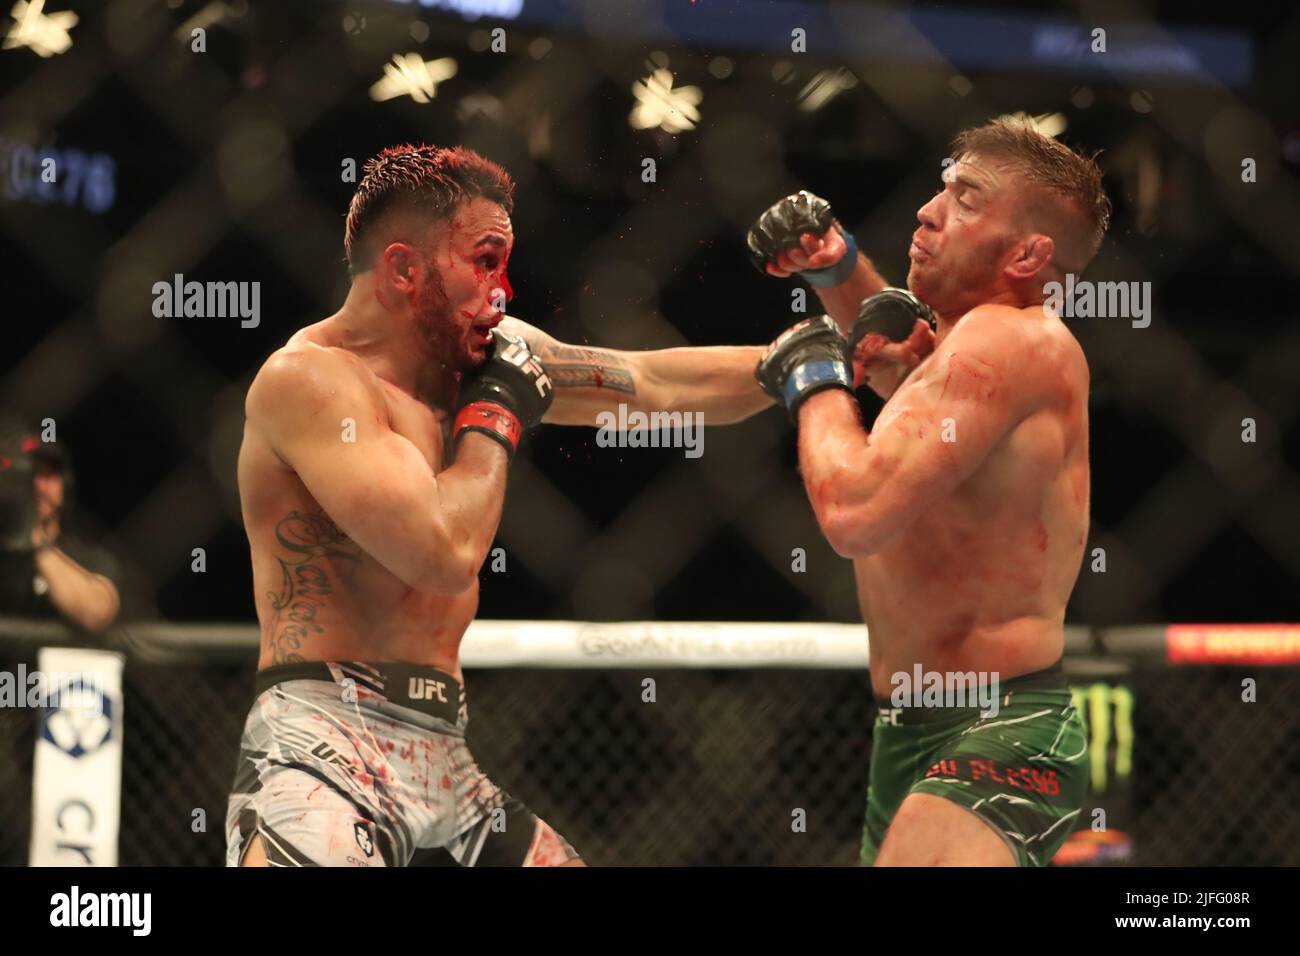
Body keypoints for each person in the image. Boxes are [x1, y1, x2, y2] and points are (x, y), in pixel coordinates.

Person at [227, 144, 771, 867]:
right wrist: (498, 413)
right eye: (484, 261)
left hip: (443, 757)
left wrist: (812, 358)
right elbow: (443, 552)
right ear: (402, 269)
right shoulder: (310, 382)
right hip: (321, 748)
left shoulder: (481, 358)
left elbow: (658, 383)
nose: (503, 289)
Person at [747, 117, 1110, 866]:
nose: (928, 210)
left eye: (967, 199)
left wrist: (812, 380)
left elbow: (854, 510)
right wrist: (838, 268)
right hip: (912, 730)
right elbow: (917, 390)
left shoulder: (1014, 339)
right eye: (942, 187)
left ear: (1027, 253)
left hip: (1001, 727)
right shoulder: (976, 348)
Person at [0, 426, 121, 634]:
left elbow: (96, 614)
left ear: (64, 487)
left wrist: (36, 544)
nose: (37, 487)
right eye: (29, 478)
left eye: (47, 476)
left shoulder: (89, 557)